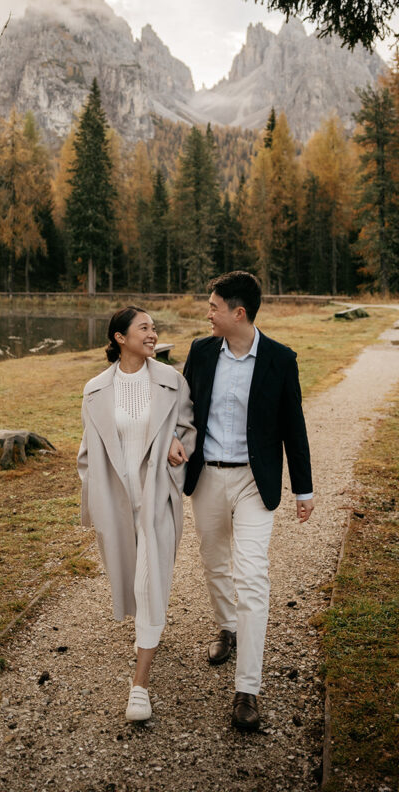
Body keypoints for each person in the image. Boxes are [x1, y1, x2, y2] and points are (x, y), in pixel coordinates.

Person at [170, 271, 314, 732]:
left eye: (213, 306)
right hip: (208, 477)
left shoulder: (280, 359)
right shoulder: (201, 351)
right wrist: (174, 439)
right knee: (214, 563)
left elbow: (294, 424)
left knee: (252, 576)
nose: (206, 312)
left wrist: (304, 489)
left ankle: (246, 689)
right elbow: (184, 410)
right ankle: (227, 627)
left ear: (238, 313)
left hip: (255, 484)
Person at [77, 305, 196, 722]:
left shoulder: (171, 381)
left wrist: (176, 447)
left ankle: (140, 686)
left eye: (154, 328)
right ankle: (147, 630)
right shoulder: (94, 390)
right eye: (143, 328)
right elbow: (87, 454)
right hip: (116, 501)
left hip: (156, 497)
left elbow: (187, 430)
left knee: (148, 583)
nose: (152, 334)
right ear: (119, 338)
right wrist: (95, 501)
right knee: (130, 580)